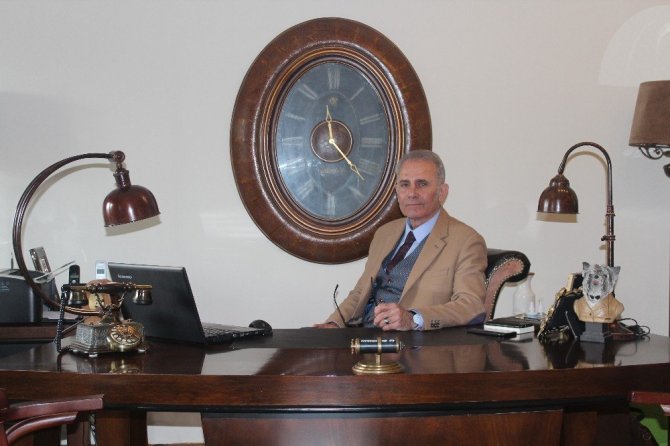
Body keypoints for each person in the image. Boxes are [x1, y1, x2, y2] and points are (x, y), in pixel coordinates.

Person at [314, 150, 487, 331]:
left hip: (414, 343)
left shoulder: (466, 241)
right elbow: (360, 292)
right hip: (363, 337)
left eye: (422, 184)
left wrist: (414, 319)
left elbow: (471, 306)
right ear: (397, 191)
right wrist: (334, 323)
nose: (412, 193)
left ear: (442, 192)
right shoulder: (384, 233)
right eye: (405, 184)